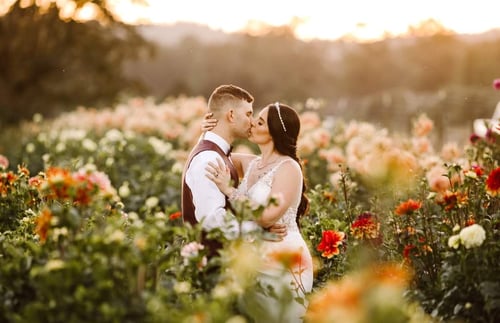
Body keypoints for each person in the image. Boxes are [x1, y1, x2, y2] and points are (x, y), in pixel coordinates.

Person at [204, 102, 313, 323]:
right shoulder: (253, 164)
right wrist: (207, 131)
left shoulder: (289, 168)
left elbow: (267, 216)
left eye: (260, 121)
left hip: (284, 260)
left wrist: (229, 190)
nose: (252, 122)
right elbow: (210, 154)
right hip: (255, 259)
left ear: (274, 132)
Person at [181, 84, 286, 259]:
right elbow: (212, 220)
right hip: (210, 269)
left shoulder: (219, 154)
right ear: (231, 115)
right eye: (248, 114)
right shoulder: (209, 159)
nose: (252, 121)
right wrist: (259, 229)